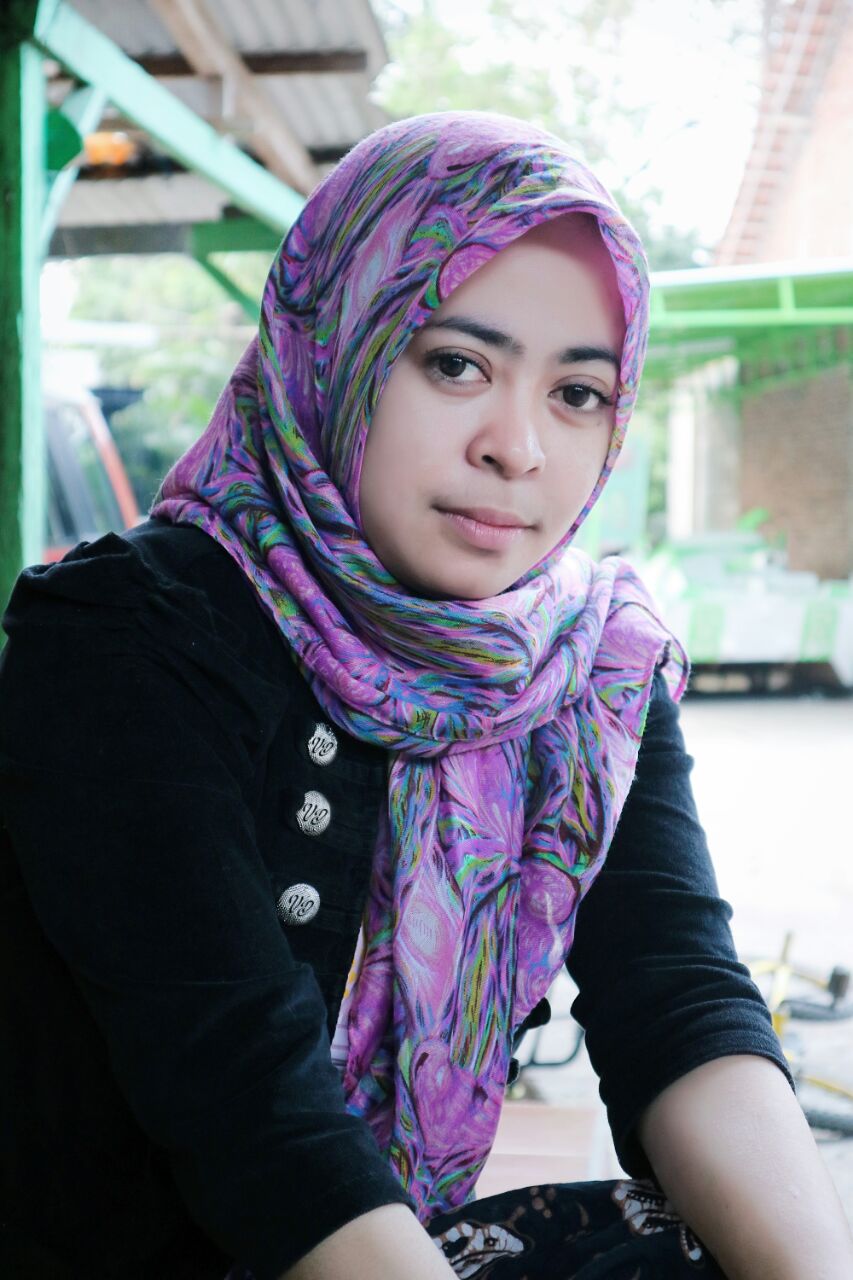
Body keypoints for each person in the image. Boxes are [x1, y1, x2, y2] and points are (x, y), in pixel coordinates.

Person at [1, 112, 851, 1280]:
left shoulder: (585, 661)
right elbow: (252, 1107)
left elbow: (677, 995)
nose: (518, 447)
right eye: (456, 363)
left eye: (578, 392)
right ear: (337, 343)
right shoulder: (130, 634)